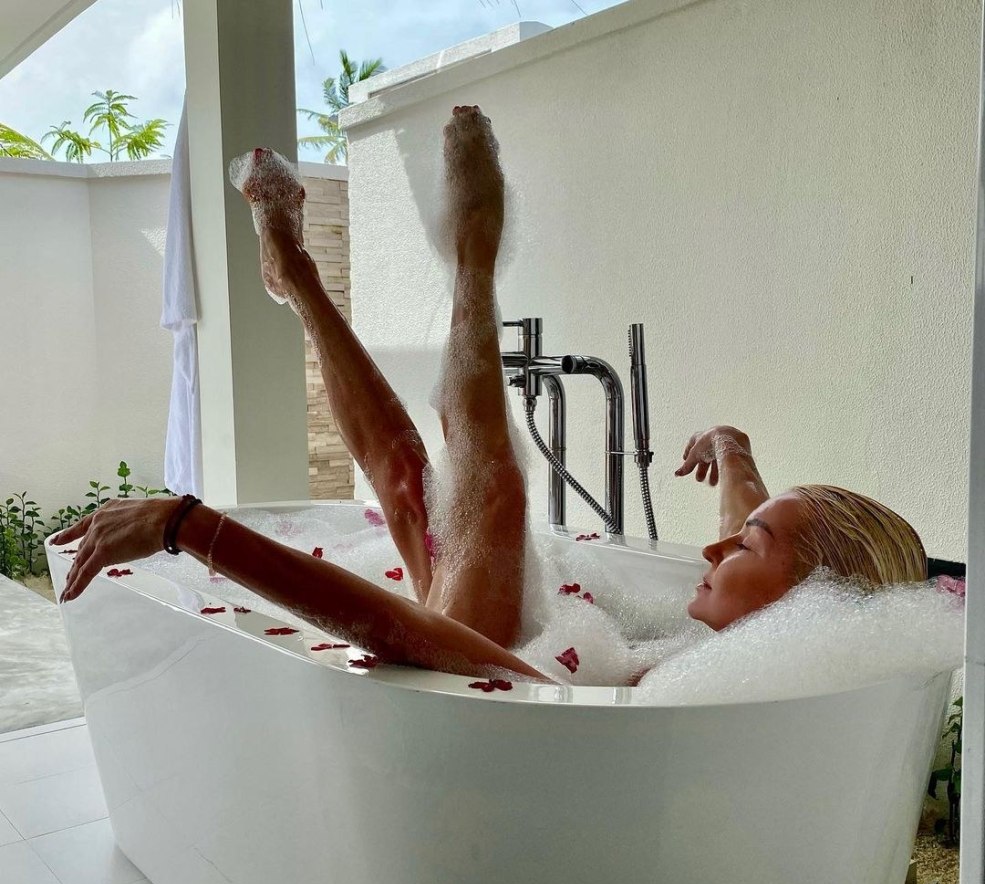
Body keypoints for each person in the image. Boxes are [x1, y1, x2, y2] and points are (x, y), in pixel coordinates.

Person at [52, 107, 927, 684]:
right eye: (739, 529)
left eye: (747, 542)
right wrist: (732, 447)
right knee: (416, 487)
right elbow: (755, 524)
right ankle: (303, 275)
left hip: (487, 676)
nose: (715, 540)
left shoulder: (698, 688)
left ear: (812, 597)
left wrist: (189, 525)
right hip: (538, 625)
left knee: (486, 495)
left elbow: (415, 642)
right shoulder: (756, 627)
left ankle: (459, 259)